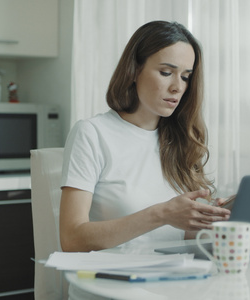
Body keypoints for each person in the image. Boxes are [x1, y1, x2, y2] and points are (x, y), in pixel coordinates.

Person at [59, 20, 231, 254]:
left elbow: (179, 236)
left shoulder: (181, 140)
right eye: (166, 72)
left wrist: (212, 219)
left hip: (175, 281)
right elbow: (71, 239)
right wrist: (162, 214)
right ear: (134, 71)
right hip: (115, 282)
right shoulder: (92, 133)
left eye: (185, 77)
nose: (177, 87)